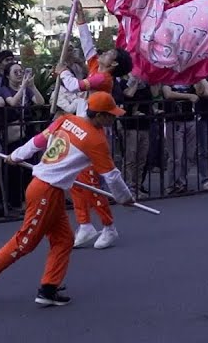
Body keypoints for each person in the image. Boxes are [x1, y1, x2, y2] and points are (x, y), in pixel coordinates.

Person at [0, 92, 134, 307]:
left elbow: (38, 141)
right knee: (25, 241)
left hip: (48, 189)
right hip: (47, 190)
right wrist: (125, 198)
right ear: (100, 116)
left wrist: (17, 155)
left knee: (64, 240)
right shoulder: (96, 140)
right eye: (111, 115)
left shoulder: (67, 120)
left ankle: (48, 288)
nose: (114, 118)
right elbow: (111, 175)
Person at [55, 19, 133, 250]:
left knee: (90, 182)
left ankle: (109, 227)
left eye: (108, 52)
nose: (103, 52)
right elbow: (88, 46)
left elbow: (76, 86)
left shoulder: (103, 78)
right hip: (79, 128)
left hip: (91, 133)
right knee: (76, 181)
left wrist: (63, 73)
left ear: (113, 63)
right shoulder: (97, 69)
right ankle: (85, 224)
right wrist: (80, 19)